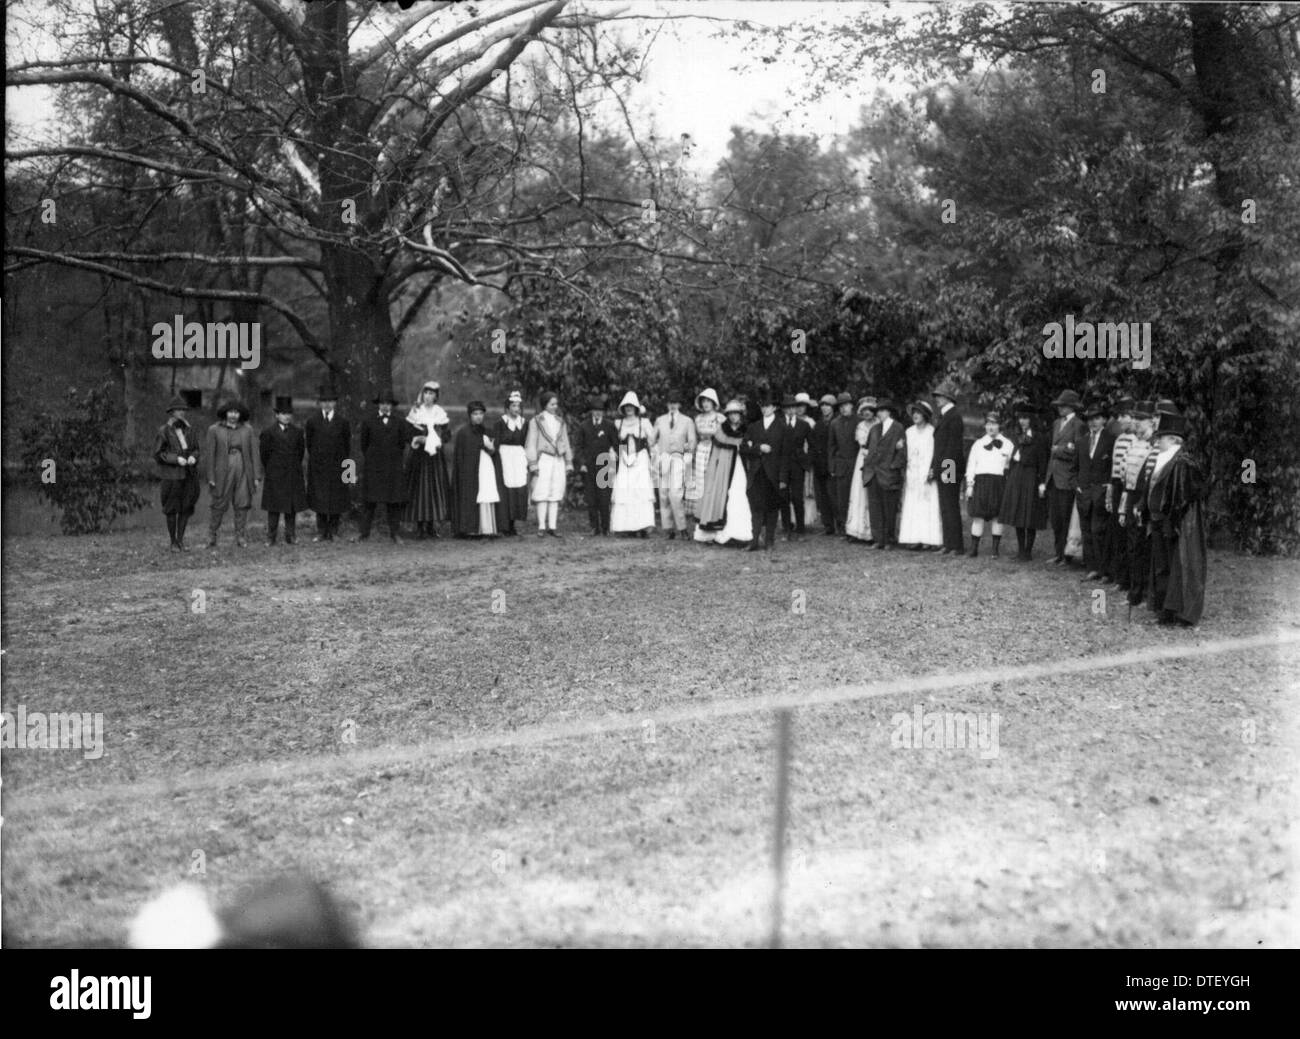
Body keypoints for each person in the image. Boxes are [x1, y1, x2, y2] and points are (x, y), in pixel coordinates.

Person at [1142, 411, 1206, 625]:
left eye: (1160, 438)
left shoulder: (1183, 462)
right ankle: (1165, 610)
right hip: (1159, 520)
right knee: (1162, 566)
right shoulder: (1164, 459)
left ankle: (1179, 612)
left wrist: (1172, 520)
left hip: (1175, 523)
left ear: (1172, 440)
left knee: (1179, 565)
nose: (1157, 442)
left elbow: (1184, 497)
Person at [204, 401, 262, 548]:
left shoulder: (248, 430)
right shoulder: (214, 429)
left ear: (240, 414)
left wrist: (256, 476)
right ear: (225, 413)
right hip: (223, 469)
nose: (233, 415)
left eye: (236, 412)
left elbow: (254, 453)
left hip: (243, 468)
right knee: (219, 502)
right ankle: (212, 535)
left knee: (242, 502)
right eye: (230, 412)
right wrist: (211, 476)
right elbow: (210, 455)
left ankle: (240, 536)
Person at [740, 389, 792, 552]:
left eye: (768, 406)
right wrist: (758, 448)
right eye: (762, 406)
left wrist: (783, 479)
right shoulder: (754, 427)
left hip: (774, 474)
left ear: (774, 407)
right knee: (756, 507)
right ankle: (754, 540)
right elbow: (743, 448)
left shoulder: (782, 427)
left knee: (772, 508)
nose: (764, 409)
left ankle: (769, 541)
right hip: (757, 473)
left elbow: (786, 455)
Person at [355, 391, 408, 543]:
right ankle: (364, 533)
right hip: (374, 467)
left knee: (394, 501)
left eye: (388, 403)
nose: (385, 406)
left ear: (391, 405)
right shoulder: (369, 421)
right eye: (382, 403)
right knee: (369, 501)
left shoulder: (399, 422)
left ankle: (395, 533)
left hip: (392, 467)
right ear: (378, 404)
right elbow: (364, 445)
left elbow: (401, 444)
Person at [998, 402, 1049, 561]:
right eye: (1020, 418)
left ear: (1031, 419)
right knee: (1018, 512)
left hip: (1031, 476)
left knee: (1030, 515)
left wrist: (1042, 482)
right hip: (1017, 475)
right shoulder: (1015, 436)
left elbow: (1043, 461)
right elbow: (1011, 457)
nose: (1022, 421)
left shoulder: (1039, 438)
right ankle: (1021, 550)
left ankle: (1028, 551)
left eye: (1025, 418)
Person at [404, 380, 452, 539]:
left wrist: (436, 440)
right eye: (426, 393)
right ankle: (419, 526)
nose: (427, 396)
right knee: (419, 489)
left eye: (431, 394)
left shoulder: (439, 412)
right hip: (419, 456)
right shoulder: (416, 411)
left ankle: (431, 525)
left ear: (436, 396)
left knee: (434, 488)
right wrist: (418, 438)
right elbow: (408, 432)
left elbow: (447, 435)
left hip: (434, 457)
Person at [451, 401, 507, 537]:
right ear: (470, 415)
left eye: (481, 414)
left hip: (485, 467)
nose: (478, 417)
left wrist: (491, 448)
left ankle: (487, 528)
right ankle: (469, 528)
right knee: (471, 495)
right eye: (475, 414)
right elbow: (461, 456)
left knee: (486, 493)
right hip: (469, 471)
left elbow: (494, 451)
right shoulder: (464, 433)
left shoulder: (488, 431)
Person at [1118, 401, 1156, 596]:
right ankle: (1134, 589)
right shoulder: (1134, 443)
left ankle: (1141, 591)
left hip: (1145, 498)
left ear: (1151, 422)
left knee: (1143, 545)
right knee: (1133, 544)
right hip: (1132, 496)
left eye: (1141, 419)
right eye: (1136, 418)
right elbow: (1125, 477)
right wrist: (1123, 507)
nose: (1137, 422)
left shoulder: (1155, 445)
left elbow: (1151, 478)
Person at [304, 383, 351, 542]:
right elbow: (309, 444)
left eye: (330, 401)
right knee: (320, 499)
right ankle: (321, 531)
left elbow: (347, 446)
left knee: (337, 498)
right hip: (319, 466)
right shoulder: (312, 421)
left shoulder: (343, 422)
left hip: (337, 466)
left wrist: (346, 470)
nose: (327, 404)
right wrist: (317, 460)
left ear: (335, 403)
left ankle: (334, 531)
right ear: (320, 403)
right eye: (324, 401)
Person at [1075, 400, 1116, 582]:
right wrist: (1076, 485)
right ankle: (1091, 567)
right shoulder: (1081, 441)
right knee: (1086, 530)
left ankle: (1104, 569)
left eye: (1097, 418)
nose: (1093, 422)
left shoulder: (1111, 440)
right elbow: (1075, 467)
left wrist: (1108, 486)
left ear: (1104, 420)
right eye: (1090, 419)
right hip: (1084, 492)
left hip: (1101, 492)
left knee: (1099, 530)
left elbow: (1113, 467)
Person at [154, 395, 200, 551]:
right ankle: (173, 542)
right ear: (172, 412)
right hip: (171, 476)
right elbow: (158, 454)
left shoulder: (189, 430)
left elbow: (196, 449)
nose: (181, 412)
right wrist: (175, 459)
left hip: (188, 474)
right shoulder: (164, 431)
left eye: (183, 409)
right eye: (178, 409)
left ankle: (180, 541)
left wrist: (193, 457)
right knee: (171, 509)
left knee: (186, 508)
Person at [964, 410, 1013, 557]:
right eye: (988, 424)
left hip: (998, 483)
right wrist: (970, 485)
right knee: (977, 516)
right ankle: (974, 549)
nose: (991, 427)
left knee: (997, 516)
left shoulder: (1008, 444)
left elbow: (1011, 467)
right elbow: (971, 465)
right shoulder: (978, 444)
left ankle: (995, 550)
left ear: (1000, 426)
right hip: (981, 482)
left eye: (994, 424)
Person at [259, 395, 307, 546]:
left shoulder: (297, 432)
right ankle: (271, 537)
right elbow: (264, 455)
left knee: (291, 508)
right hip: (275, 474)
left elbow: (300, 453)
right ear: (277, 415)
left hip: (292, 474)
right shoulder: (268, 432)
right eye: (283, 413)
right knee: (273, 508)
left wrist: (292, 466)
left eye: (289, 414)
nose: (287, 417)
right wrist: (273, 468)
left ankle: (290, 536)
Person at [1045, 389, 1085, 565]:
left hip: (1067, 478)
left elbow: (1077, 451)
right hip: (1053, 477)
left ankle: (1067, 555)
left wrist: (1059, 450)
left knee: (1065, 517)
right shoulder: (1056, 423)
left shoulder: (1078, 425)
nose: (1060, 408)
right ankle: (1058, 553)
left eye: (1063, 405)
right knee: (1055, 519)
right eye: (1059, 405)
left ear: (1071, 407)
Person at [526, 390, 573, 538]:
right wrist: (533, 463)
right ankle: (541, 526)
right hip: (544, 459)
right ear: (545, 405)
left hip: (558, 459)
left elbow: (565, 441)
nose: (555, 407)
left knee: (555, 491)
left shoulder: (560, 421)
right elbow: (531, 443)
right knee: (542, 491)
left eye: (556, 404)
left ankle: (552, 526)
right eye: (552, 404)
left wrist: (568, 461)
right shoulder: (536, 421)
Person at [652, 389, 698, 540]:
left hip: (678, 459)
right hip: (663, 458)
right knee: (664, 494)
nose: (672, 405)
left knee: (676, 494)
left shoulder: (687, 421)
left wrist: (687, 457)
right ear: (667, 404)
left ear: (679, 404)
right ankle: (668, 528)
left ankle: (682, 528)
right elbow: (652, 440)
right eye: (670, 402)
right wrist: (656, 455)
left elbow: (692, 442)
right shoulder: (660, 420)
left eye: (675, 402)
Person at [610, 391, 656, 537]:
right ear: (623, 408)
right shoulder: (618, 423)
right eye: (626, 406)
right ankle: (627, 527)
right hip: (624, 460)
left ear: (636, 407)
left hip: (640, 459)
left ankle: (643, 527)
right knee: (625, 491)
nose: (629, 408)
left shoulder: (644, 422)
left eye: (631, 406)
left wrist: (654, 459)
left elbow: (652, 442)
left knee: (640, 492)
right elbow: (612, 442)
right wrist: (613, 451)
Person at [898, 400, 943, 550]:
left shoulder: (932, 432)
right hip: (913, 472)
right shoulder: (909, 432)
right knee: (913, 505)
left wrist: (934, 469)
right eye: (914, 413)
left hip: (927, 472)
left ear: (925, 415)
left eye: (919, 413)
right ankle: (913, 537)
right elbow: (905, 453)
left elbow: (937, 453)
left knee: (927, 505)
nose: (915, 416)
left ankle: (929, 539)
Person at [862, 399, 906, 549]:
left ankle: (889, 540)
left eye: (882, 410)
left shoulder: (898, 428)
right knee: (875, 507)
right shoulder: (875, 429)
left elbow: (902, 452)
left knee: (889, 508)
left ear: (889, 411)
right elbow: (868, 448)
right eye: (878, 411)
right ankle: (878, 539)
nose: (879, 414)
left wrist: (893, 466)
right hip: (873, 473)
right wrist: (867, 466)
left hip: (889, 474)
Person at [1104, 398, 1137, 588]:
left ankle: (1128, 579)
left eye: (1124, 416)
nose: (1121, 420)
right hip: (1117, 486)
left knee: (1126, 533)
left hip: (1128, 488)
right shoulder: (1119, 439)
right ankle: (1119, 575)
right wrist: (1111, 487)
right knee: (1116, 532)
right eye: (1120, 416)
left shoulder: (1137, 441)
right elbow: (1114, 468)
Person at [573, 396, 617, 536]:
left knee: (604, 497)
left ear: (603, 412)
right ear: (591, 411)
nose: (597, 413)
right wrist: (582, 463)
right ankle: (594, 527)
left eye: (600, 410)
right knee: (591, 498)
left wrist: (615, 458)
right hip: (589, 465)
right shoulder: (584, 426)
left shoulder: (609, 425)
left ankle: (605, 527)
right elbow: (578, 447)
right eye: (595, 410)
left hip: (605, 464)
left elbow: (616, 444)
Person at [931, 382, 966, 555]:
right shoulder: (945, 416)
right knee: (945, 505)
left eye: (940, 396)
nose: (937, 399)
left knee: (950, 504)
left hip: (950, 466)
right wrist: (935, 467)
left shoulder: (954, 416)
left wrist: (945, 471)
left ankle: (956, 546)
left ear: (947, 398)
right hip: (944, 466)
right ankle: (948, 544)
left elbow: (953, 448)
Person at [490, 390, 529, 536]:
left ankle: (513, 523)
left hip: (518, 457)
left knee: (518, 489)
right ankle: (504, 525)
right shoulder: (500, 423)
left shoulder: (524, 423)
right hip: (505, 457)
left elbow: (526, 442)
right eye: (513, 406)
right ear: (507, 407)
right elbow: (496, 443)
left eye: (518, 406)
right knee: (505, 489)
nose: (516, 409)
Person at [844, 396, 878, 543]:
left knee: (872, 493)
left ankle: (871, 531)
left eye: (870, 410)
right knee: (859, 492)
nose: (867, 413)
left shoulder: (879, 424)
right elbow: (863, 443)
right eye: (864, 410)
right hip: (863, 457)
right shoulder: (860, 426)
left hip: (876, 458)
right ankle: (855, 529)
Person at [779, 393, 812, 539]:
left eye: (793, 407)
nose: (791, 410)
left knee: (797, 498)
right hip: (782, 466)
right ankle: (787, 529)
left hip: (798, 465)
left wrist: (806, 460)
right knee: (783, 497)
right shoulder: (778, 424)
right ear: (783, 410)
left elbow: (812, 445)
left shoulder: (804, 425)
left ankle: (800, 529)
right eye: (787, 408)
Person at [687, 389, 721, 524]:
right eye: (704, 401)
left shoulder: (720, 418)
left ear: (714, 402)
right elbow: (695, 437)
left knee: (713, 480)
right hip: (701, 450)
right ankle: (699, 513)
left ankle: (713, 512)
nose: (706, 404)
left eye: (708, 401)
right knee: (699, 480)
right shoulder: (698, 419)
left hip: (716, 449)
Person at [827, 392, 858, 535]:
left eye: (846, 405)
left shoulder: (859, 421)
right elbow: (831, 447)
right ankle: (843, 527)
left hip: (856, 464)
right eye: (840, 406)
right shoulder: (834, 423)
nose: (843, 408)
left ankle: (855, 527)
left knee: (856, 497)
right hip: (841, 465)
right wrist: (832, 466)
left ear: (851, 405)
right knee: (842, 499)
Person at [808, 393, 837, 535]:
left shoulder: (836, 422)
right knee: (822, 496)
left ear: (833, 407)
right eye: (823, 405)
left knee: (834, 496)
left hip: (832, 465)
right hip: (819, 465)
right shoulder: (818, 424)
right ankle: (828, 526)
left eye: (828, 405)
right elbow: (813, 444)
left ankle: (839, 525)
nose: (825, 408)